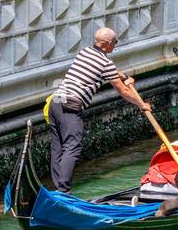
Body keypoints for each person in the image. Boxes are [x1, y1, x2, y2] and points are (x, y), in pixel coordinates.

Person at [48, 27, 151, 193]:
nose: (115, 45)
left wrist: (123, 76)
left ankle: (57, 188)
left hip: (56, 102)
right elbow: (123, 91)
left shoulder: (85, 52)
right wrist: (141, 105)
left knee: (58, 147)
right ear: (109, 44)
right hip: (71, 105)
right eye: (115, 42)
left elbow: (108, 72)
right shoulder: (105, 63)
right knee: (73, 146)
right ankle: (63, 191)